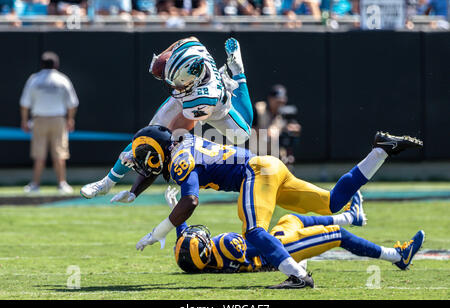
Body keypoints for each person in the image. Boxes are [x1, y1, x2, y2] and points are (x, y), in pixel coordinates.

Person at [115, 124, 423, 288]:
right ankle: (381, 151)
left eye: (141, 159)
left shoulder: (181, 159)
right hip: (268, 166)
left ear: (155, 154)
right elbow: (155, 169)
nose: (140, 167)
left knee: (253, 231)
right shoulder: (182, 148)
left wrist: (160, 230)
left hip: (257, 172)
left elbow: (191, 199)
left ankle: (298, 276)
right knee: (332, 202)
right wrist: (134, 191)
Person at [80, 37, 254, 199]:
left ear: (192, 80)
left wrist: (142, 152)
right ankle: (107, 183)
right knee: (149, 135)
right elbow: (190, 39)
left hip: (216, 107)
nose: (173, 87)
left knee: (242, 134)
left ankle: (238, 72)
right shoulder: (193, 52)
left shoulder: (202, 101)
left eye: (177, 83)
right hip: (187, 96)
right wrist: (162, 58)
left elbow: (171, 133)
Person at [166, 187, 425, 288]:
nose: (199, 234)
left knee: (292, 219)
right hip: (278, 250)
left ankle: (350, 216)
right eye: (197, 237)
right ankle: (397, 257)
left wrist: (178, 216)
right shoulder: (225, 246)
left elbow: (190, 249)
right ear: (203, 250)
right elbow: (259, 246)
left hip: (271, 246)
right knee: (336, 236)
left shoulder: (202, 262)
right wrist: (289, 261)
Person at [20, 51, 79, 194]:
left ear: (41, 64)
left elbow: (24, 103)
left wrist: (24, 120)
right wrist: (70, 119)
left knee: (39, 154)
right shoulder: (62, 79)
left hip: (39, 119)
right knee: (59, 152)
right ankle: (62, 184)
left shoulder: (34, 79)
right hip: (58, 120)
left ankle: (35, 185)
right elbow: (72, 103)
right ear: (56, 65)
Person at [253, 84, 301, 169]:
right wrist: (265, 132)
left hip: (276, 153)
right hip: (256, 153)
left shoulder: (284, 113)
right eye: (277, 101)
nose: (280, 104)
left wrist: (291, 129)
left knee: (286, 161)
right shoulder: (259, 109)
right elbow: (247, 129)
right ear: (270, 99)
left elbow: (295, 128)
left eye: (282, 102)